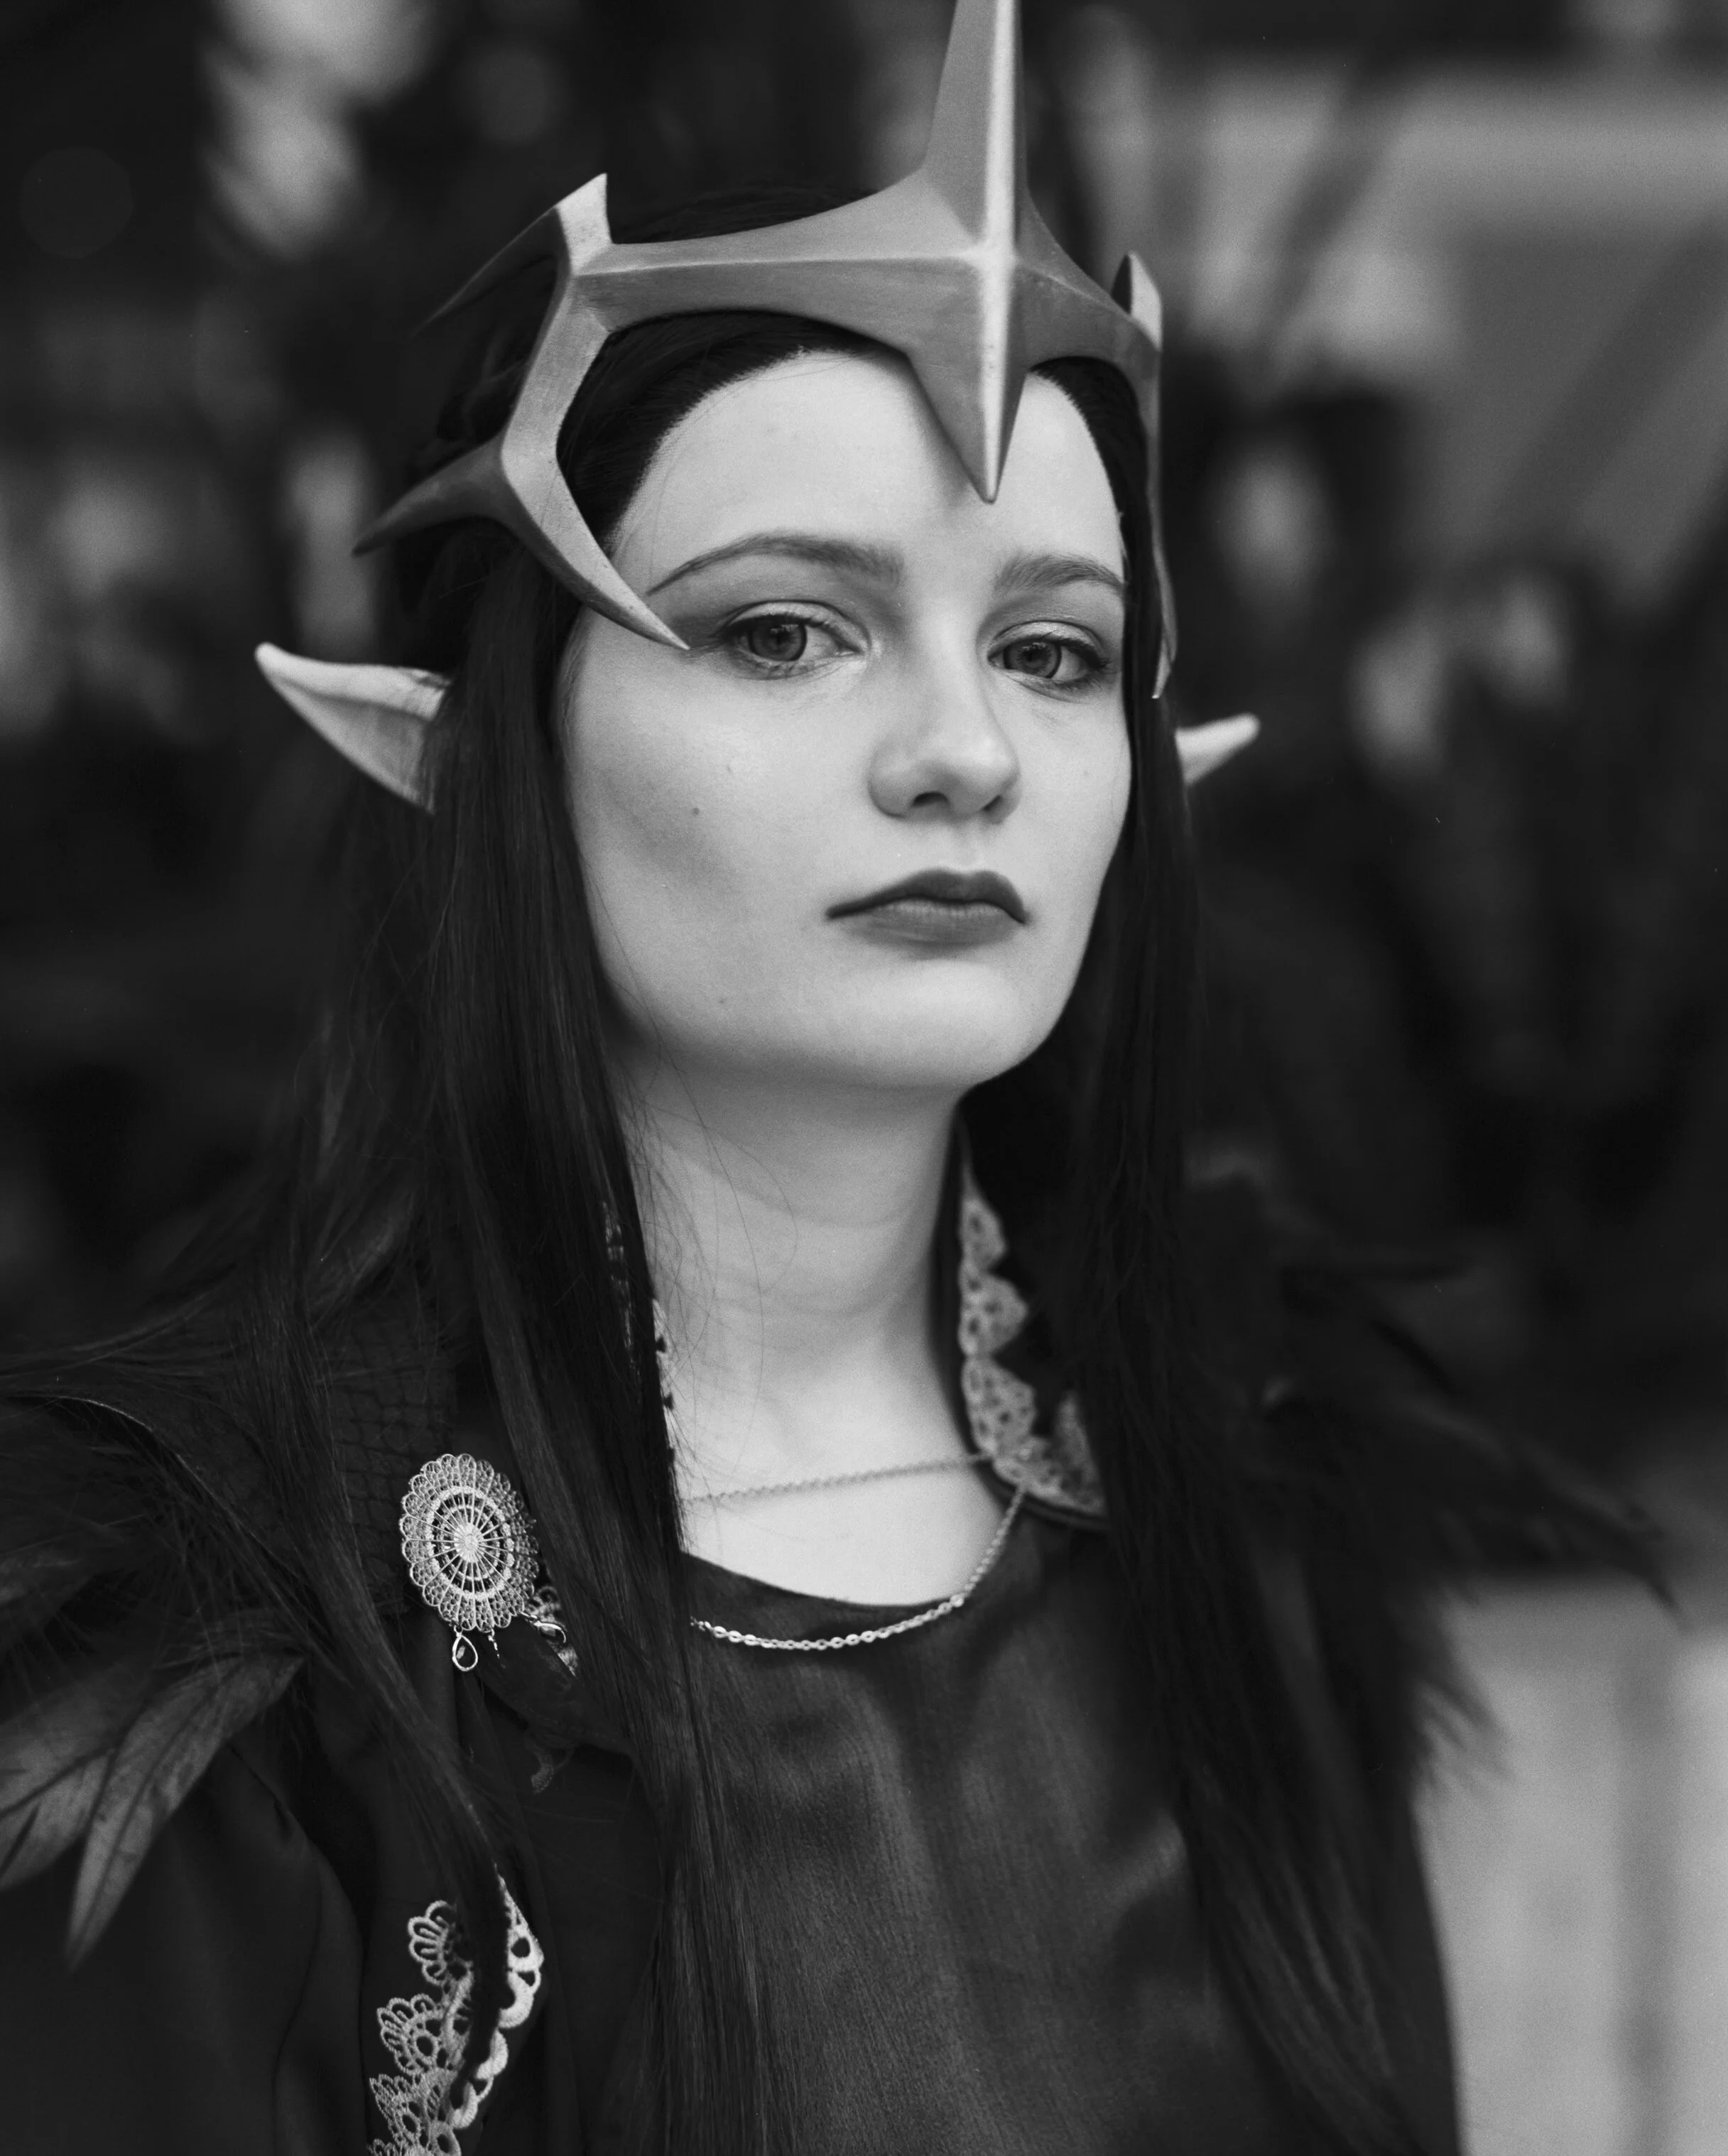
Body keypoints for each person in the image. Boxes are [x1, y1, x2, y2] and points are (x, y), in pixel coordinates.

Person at [1, 4, 1640, 2150]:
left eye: (1051, 650)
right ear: (494, 746)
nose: (962, 750)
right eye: (786, 629)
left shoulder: (1251, 1547)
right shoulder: (219, 1659)